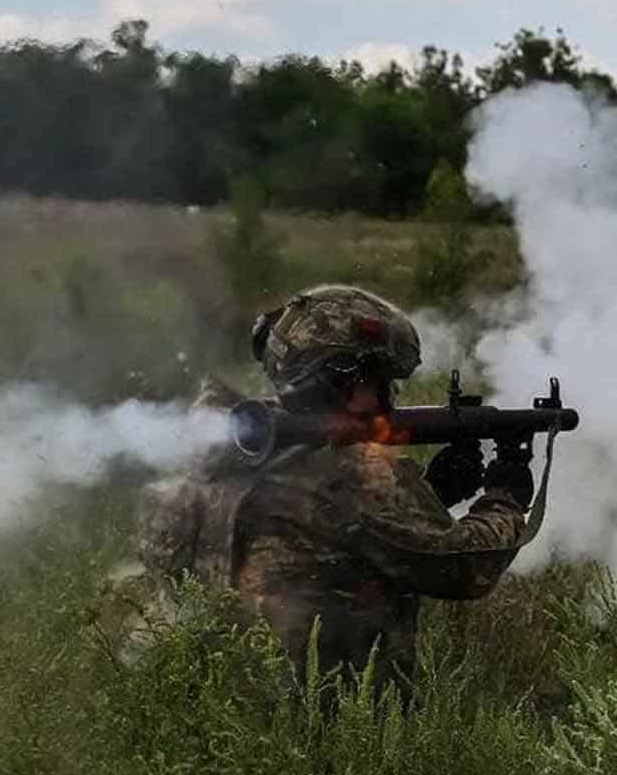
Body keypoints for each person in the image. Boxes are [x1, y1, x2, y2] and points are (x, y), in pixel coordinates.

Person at [138, 284, 536, 702]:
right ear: (335, 382)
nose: (385, 399)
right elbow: (461, 567)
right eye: (377, 381)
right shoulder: (352, 475)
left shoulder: (220, 455)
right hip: (329, 728)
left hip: (214, 717)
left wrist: (432, 492)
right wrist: (505, 497)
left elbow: (331, 538)